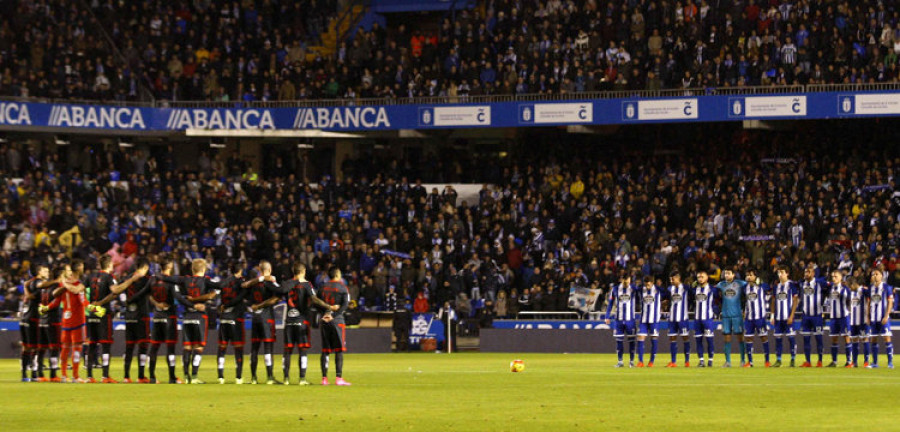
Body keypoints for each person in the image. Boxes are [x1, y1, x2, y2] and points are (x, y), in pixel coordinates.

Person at [160, 258, 221, 383]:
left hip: (187, 317)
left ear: (192, 269)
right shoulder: (206, 280)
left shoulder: (185, 279)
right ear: (204, 269)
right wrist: (211, 295)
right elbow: (221, 285)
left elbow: (166, 278)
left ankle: (186, 376)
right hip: (200, 317)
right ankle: (194, 376)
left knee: (187, 347)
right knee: (198, 348)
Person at [86, 255, 146, 383]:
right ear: (109, 265)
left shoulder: (90, 277)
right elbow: (116, 290)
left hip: (92, 313)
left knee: (92, 344)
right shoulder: (108, 277)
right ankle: (105, 376)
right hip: (103, 314)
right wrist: (131, 280)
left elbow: (83, 292)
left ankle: (89, 376)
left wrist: (91, 305)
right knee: (105, 344)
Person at [280, 262, 338, 385]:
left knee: (287, 352)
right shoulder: (307, 285)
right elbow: (314, 299)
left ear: (293, 271)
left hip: (289, 321)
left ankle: (286, 378)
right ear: (304, 271)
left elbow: (280, 292)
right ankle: (302, 379)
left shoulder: (287, 284)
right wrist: (328, 306)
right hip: (302, 321)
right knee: (303, 351)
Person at [147, 258, 191, 383]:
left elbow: (147, 294)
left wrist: (157, 304)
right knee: (170, 348)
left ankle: (152, 377)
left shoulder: (152, 279)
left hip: (157, 317)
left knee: (154, 347)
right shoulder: (171, 282)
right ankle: (172, 377)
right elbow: (177, 297)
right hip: (169, 317)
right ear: (170, 266)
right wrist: (191, 304)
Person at [241, 260, 281, 384]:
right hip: (266, 317)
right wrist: (261, 306)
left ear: (259, 270)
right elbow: (276, 297)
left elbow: (245, 296)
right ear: (270, 270)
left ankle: (253, 378)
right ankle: (270, 378)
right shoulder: (270, 283)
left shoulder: (253, 284)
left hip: (255, 318)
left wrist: (253, 306)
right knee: (268, 348)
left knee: (254, 348)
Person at [49, 263, 87, 383]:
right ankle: (70, 376)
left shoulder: (73, 285)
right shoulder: (77, 284)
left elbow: (74, 291)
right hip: (76, 321)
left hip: (70, 320)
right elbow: (55, 296)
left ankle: (69, 376)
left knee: (69, 349)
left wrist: (64, 283)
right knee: (73, 349)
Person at [216, 262, 249, 384]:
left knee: (222, 348)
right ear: (240, 270)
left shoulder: (224, 282)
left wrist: (223, 306)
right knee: (238, 348)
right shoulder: (241, 282)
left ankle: (220, 376)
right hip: (236, 318)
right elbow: (241, 297)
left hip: (224, 318)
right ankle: (238, 377)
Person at [319, 267, 351, 385]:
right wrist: (334, 315)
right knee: (339, 350)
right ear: (338, 274)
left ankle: (324, 379)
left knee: (325, 350)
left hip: (324, 319)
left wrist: (324, 314)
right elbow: (345, 305)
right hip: (337, 321)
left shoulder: (322, 287)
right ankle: (339, 378)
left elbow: (316, 302)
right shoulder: (342, 287)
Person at [36, 265, 66, 382]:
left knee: (42, 348)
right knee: (54, 348)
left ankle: (40, 374)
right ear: (60, 275)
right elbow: (56, 301)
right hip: (53, 320)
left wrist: (42, 308)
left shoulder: (45, 286)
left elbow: (40, 301)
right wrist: (47, 308)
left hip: (42, 320)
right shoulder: (58, 286)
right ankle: (53, 374)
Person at [19, 264, 48, 381]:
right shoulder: (39, 283)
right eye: (45, 270)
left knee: (26, 348)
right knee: (35, 347)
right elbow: (31, 296)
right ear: (39, 272)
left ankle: (25, 374)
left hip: (25, 318)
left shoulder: (30, 282)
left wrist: (25, 287)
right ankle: (34, 373)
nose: (48, 272)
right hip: (33, 319)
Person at [716, 268, 747, 368]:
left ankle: (742, 360)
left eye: (729, 273)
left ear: (733, 275)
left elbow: (750, 284)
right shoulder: (721, 284)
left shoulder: (739, 283)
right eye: (725, 273)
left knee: (740, 338)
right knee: (727, 338)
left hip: (737, 315)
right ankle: (728, 361)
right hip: (725, 315)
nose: (726, 275)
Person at [605, 273, 637, 368]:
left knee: (631, 341)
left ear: (630, 279)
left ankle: (631, 362)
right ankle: (620, 361)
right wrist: (607, 316)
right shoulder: (615, 289)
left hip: (630, 320)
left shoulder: (633, 289)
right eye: (625, 280)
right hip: (618, 319)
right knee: (619, 340)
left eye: (628, 279)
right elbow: (610, 303)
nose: (626, 282)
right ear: (621, 279)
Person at [797, 265, 826, 367]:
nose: (806, 274)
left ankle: (820, 361)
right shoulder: (801, 283)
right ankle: (808, 361)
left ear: (813, 273)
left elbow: (830, 285)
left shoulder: (819, 283)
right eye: (805, 272)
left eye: (808, 272)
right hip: (806, 316)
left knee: (819, 339)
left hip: (817, 316)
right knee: (806, 339)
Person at [742, 269, 771, 367]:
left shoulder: (761, 287)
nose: (749, 277)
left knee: (763, 337)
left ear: (755, 277)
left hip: (760, 317)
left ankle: (767, 361)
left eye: (751, 275)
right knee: (748, 339)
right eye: (747, 275)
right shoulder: (745, 288)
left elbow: (768, 286)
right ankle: (750, 362)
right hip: (749, 318)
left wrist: (760, 282)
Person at [771, 266, 799, 367]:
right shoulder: (776, 286)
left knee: (791, 338)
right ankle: (778, 360)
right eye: (779, 272)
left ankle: (792, 359)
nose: (780, 274)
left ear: (787, 273)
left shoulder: (791, 285)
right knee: (778, 339)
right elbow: (773, 301)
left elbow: (795, 300)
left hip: (788, 317)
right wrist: (772, 315)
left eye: (782, 272)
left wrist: (791, 316)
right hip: (778, 318)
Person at [866, 269, 894, 369]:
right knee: (873, 339)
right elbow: (869, 303)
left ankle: (890, 362)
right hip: (873, 318)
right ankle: (875, 363)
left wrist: (886, 315)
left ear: (882, 276)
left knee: (887, 338)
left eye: (877, 274)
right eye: (873, 274)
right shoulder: (870, 288)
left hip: (883, 318)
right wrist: (867, 316)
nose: (875, 276)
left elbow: (890, 302)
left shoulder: (887, 287)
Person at [824, 270, 852, 368]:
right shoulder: (830, 288)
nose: (833, 278)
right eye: (832, 276)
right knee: (834, 339)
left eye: (836, 276)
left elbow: (849, 301)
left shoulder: (845, 289)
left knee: (846, 338)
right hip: (833, 317)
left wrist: (848, 312)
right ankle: (834, 362)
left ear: (841, 277)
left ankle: (849, 361)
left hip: (844, 317)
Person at [664, 271, 691, 367]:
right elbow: (667, 299)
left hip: (682, 318)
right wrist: (665, 303)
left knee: (685, 338)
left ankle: (687, 361)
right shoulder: (669, 289)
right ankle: (673, 361)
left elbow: (692, 293)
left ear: (678, 278)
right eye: (670, 279)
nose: (671, 281)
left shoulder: (685, 287)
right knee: (672, 338)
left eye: (673, 279)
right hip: (672, 318)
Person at [692, 270, 718, 368]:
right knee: (698, 340)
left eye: (702, 277)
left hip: (707, 318)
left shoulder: (711, 289)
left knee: (709, 340)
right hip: (697, 319)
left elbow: (718, 297)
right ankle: (701, 361)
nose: (700, 279)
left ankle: (710, 360)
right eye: (698, 277)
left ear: (707, 277)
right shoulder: (695, 289)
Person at [636, 275, 661, 367]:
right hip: (643, 319)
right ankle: (640, 361)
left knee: (654, 340)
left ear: (652, 283)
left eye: (649, 284)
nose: (647, 286)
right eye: (646, 284)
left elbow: (669, 293)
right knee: (640, 338)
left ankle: (651, 362)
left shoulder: (658, 290)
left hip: (654, 320)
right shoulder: (641, 290)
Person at [847, 277, 869, 368]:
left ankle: (866, 362)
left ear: (854, 284)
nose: (849, 288)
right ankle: (854, 362)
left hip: (862, 321)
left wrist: (868, 316)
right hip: (853, 321)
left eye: (850, 286)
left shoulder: (863, 290)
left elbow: (871, 295)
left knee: (865, 339)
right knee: (854, 340)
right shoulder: (850, 293)